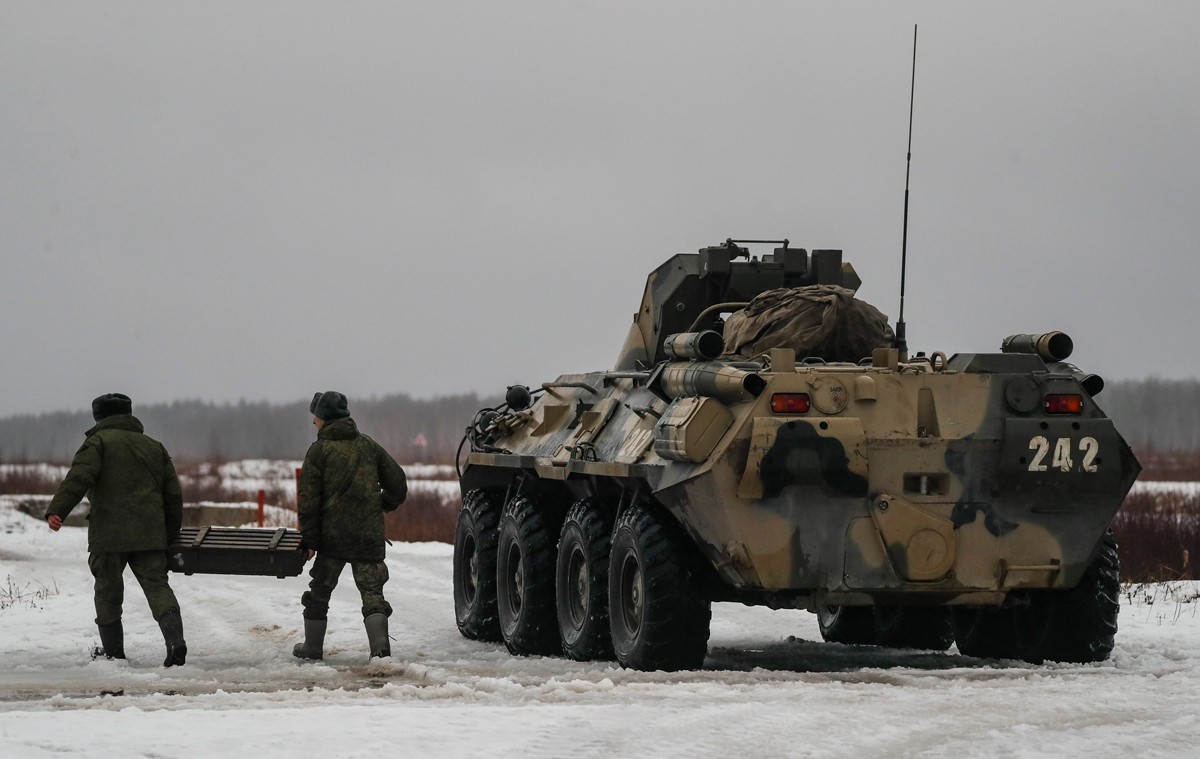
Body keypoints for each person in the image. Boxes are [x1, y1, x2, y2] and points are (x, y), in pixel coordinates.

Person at [46, 393, 187, 666]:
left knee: (108, 592)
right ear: (129, 414)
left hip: (108, 534)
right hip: (149, 534)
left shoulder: (97, 443)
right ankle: (175, 642)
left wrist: (58, 510)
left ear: (98, 417)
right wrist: (167, 534)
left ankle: (113, 653)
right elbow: (173, 496)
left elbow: (79, 477)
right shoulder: (154, 446)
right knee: (158, 587)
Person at [293, 391, 407, 661]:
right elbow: (398, 485)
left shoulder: (319, 452)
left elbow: (308, 502)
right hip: (368, 537)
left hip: (332, 540)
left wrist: (310, 541)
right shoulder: (368, 446)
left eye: (316, 416)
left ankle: (312, 648)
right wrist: (380, 505)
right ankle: (380, 651)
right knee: (373, 594)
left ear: (324, 418)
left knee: (319, 592)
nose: (313, 421)